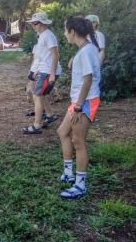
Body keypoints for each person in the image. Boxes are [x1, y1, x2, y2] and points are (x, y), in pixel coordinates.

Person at [56, 16, 101, 199]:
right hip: (79, 102)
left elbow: (88, 79)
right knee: (62, 132)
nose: (64, 34)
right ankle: (68, 173)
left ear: (72, 32)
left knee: (78, 142)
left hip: (84, 102)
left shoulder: (86, 51)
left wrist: (78, 107)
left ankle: (80, 186)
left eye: (66, 30)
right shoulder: (85, 49)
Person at [22, 13, 61, 134]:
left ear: (43, 23)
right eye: (32, 23)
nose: (33, 25)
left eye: (35, 23)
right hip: (44, 70)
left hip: (48, 71)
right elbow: (42, 57)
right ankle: (49, 115)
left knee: (37, 96)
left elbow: (55, 54)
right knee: (40, 95)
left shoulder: (48, 36)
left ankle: (36, 126)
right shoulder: (42, 35)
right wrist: (34, 71)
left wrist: (53, 74)